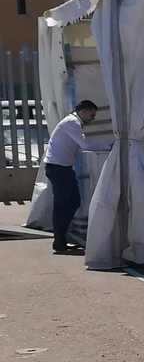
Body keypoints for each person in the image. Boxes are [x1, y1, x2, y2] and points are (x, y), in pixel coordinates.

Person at [42, 100, 111, 254]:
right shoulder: (72, 123)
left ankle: (61, 237)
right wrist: (109, 146)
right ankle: (59, 239)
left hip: (63, 167)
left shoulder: (72, 122)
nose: (92, 119)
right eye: (91, 114)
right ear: (83, 111)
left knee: (72, 202)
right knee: (63, 203)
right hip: (58, 168)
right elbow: (85, 145)